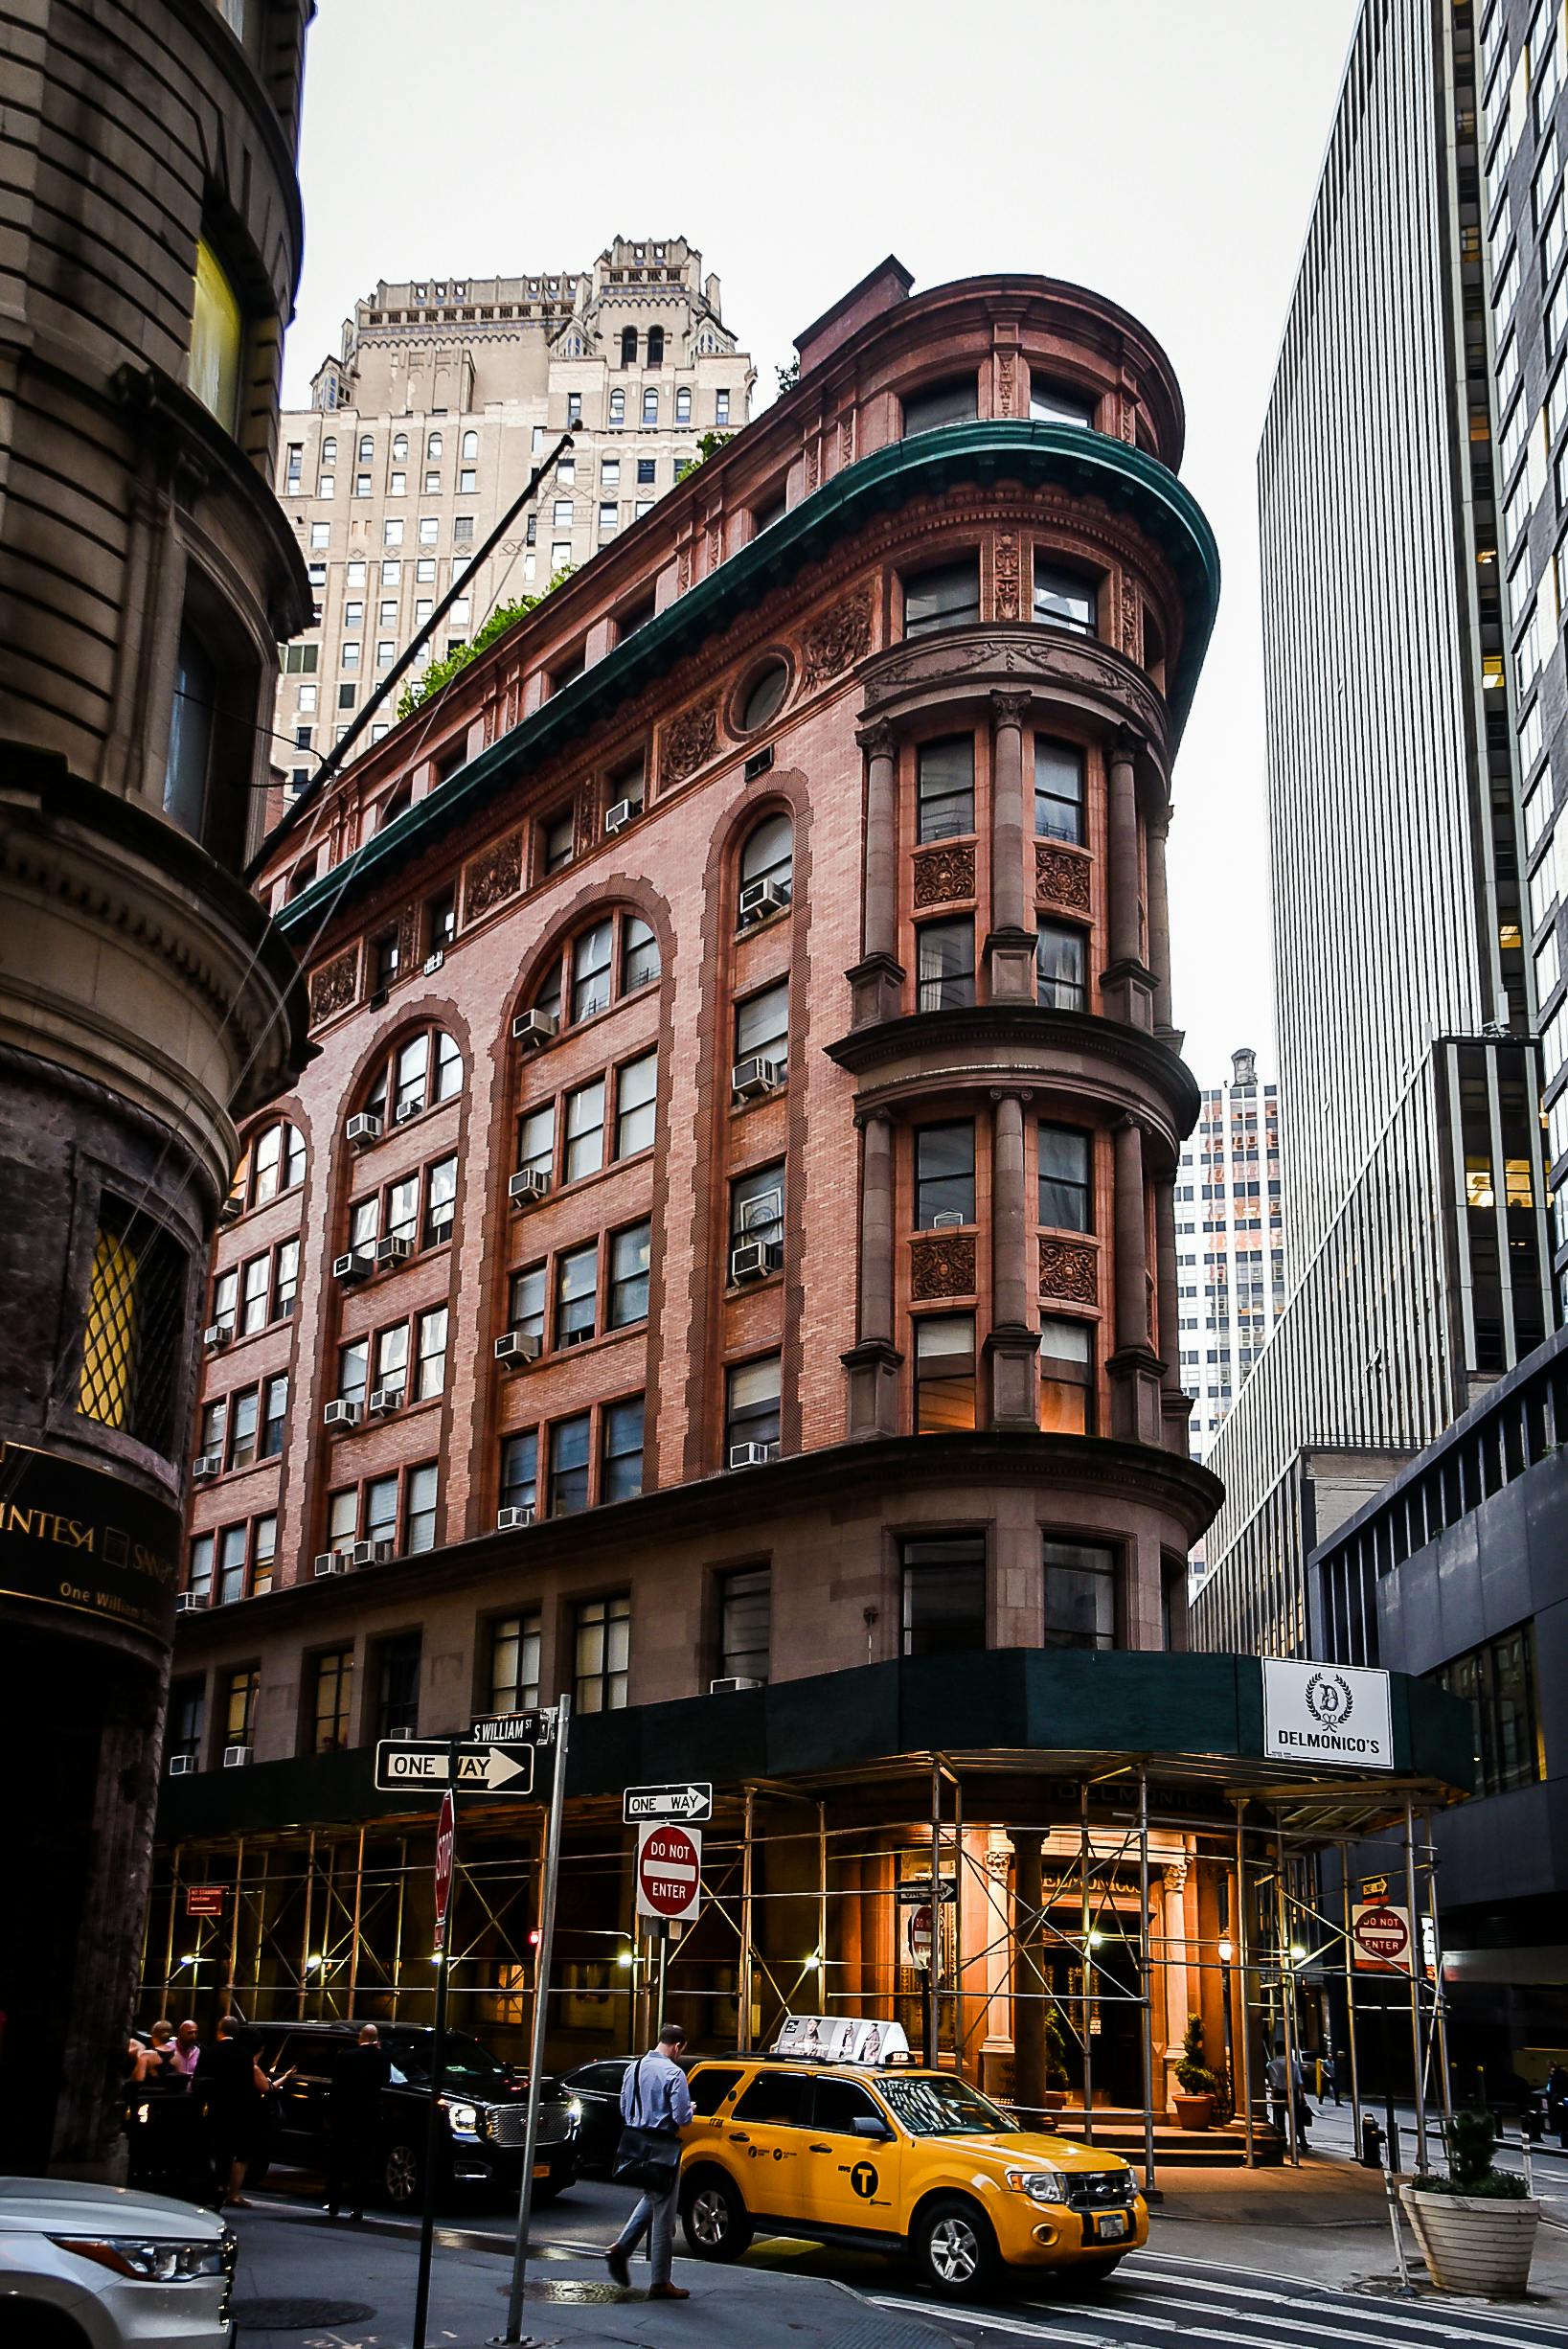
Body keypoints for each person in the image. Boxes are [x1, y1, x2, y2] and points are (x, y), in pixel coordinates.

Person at [606, 2023, 693, 2301]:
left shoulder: (633, 2068)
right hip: (662, 2146)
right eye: (681, 2051)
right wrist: (690, 2109)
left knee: (654, 2196)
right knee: (664, 2217)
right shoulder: (674, 2073)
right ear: (678, 2047)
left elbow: (623, 2108)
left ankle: (621, 2248)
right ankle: (660, 2282)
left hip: (635, 2144)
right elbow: (681, 2119)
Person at [203, 2013, 292, 2209]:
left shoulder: (209, 2052)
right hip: (239, 2111)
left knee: (214, 2151)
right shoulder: (245, 2057)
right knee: (231, 2155)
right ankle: (223, 2190)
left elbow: (200, 2080)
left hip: (216, 2108)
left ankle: (213, 2188)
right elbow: (256, 2086)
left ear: (219, 2031)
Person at [323, 2024, 393, 2222]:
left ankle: (334, 2202)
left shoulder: (346, 2056)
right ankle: (358, 2207)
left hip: (346, 2113)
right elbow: (385, 2082)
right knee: (365, 2160)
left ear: (360, 2037)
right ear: (376, 2039)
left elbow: (336, 2085)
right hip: (369, 2114)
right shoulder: (383, 2058)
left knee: (339, 2158)